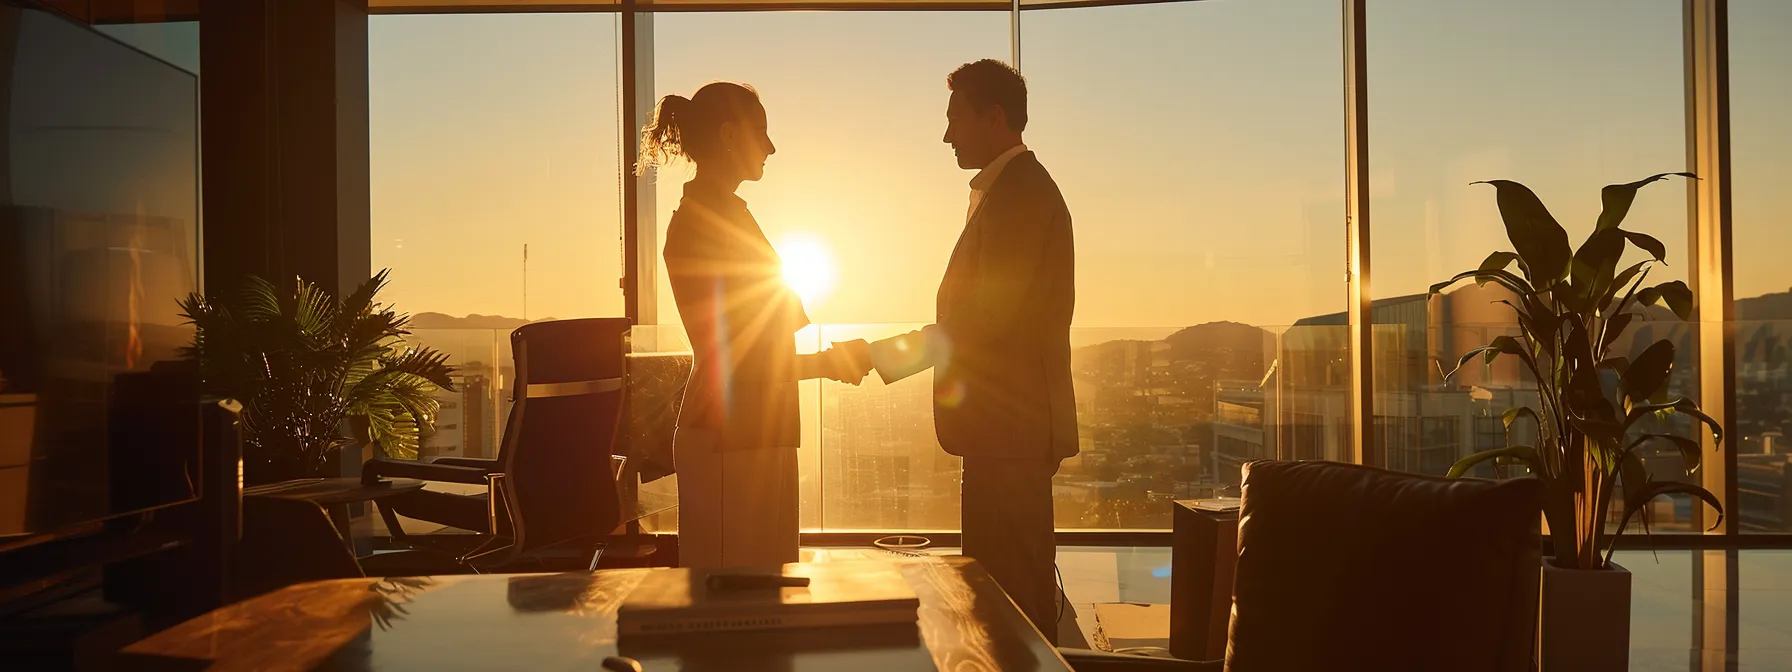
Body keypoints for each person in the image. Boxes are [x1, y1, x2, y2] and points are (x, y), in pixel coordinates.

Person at [869, 59, 1077, 640]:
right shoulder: (1012, 191)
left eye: (954, 118)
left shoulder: (1020, 196)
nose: (946, 134)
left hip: (1011, 430)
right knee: (1002, 594)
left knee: (1009, 603)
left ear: (993, 117)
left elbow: (981, 323)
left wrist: (871, 356)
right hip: (1005, 429)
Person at [639, 82, 868, 569]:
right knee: (733, 609)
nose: (770, 146)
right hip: (729, 435)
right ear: (728, 135)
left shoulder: (727, 218)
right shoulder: (707, 225)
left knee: (766, 599)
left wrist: (831, 362)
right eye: (760, 133)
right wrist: (830, 363)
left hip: (758, 431)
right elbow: (739, 360)